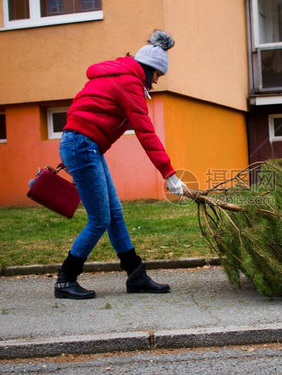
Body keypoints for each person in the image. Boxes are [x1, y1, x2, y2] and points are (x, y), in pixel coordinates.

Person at [54, 30, 186, 299]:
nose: (157, 82)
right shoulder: (130, 83)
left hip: (83, 146)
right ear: (149, 70)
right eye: (158, 75)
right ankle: (66, 280)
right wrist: (169, 174)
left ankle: (135, 275)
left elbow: (84, 113)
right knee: (100, 219)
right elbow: (146, 132)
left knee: (114, 214)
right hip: (82, 146)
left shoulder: (118, 74)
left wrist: (74, 148)